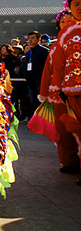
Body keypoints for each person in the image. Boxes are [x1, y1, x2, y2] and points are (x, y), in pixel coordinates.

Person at [39, 9, 79, 173]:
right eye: (63, 22)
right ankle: (68, 162)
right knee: (63, 130)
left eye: (70, 21)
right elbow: (48, 71)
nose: (66, 24)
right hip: (58, 94)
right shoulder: (55, 46)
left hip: (77, 92)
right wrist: (44, 92)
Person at [49, 0, 81, 186]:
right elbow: (58, 65)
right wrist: (52, 89)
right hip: (70, 90)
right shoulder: (67, 35)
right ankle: (71, 162)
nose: (79, 7)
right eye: (75, 4)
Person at [24, 30, 49, 118]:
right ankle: (35, 120)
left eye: (33, 38)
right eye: (29, 38)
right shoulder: (28, 53)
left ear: (38, 39)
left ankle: (44, 119)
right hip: (30, 81)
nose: (30, 40)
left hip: (40, 81)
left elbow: (47, 67)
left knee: (41, 102)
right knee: (33, 102)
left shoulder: (44, 51)